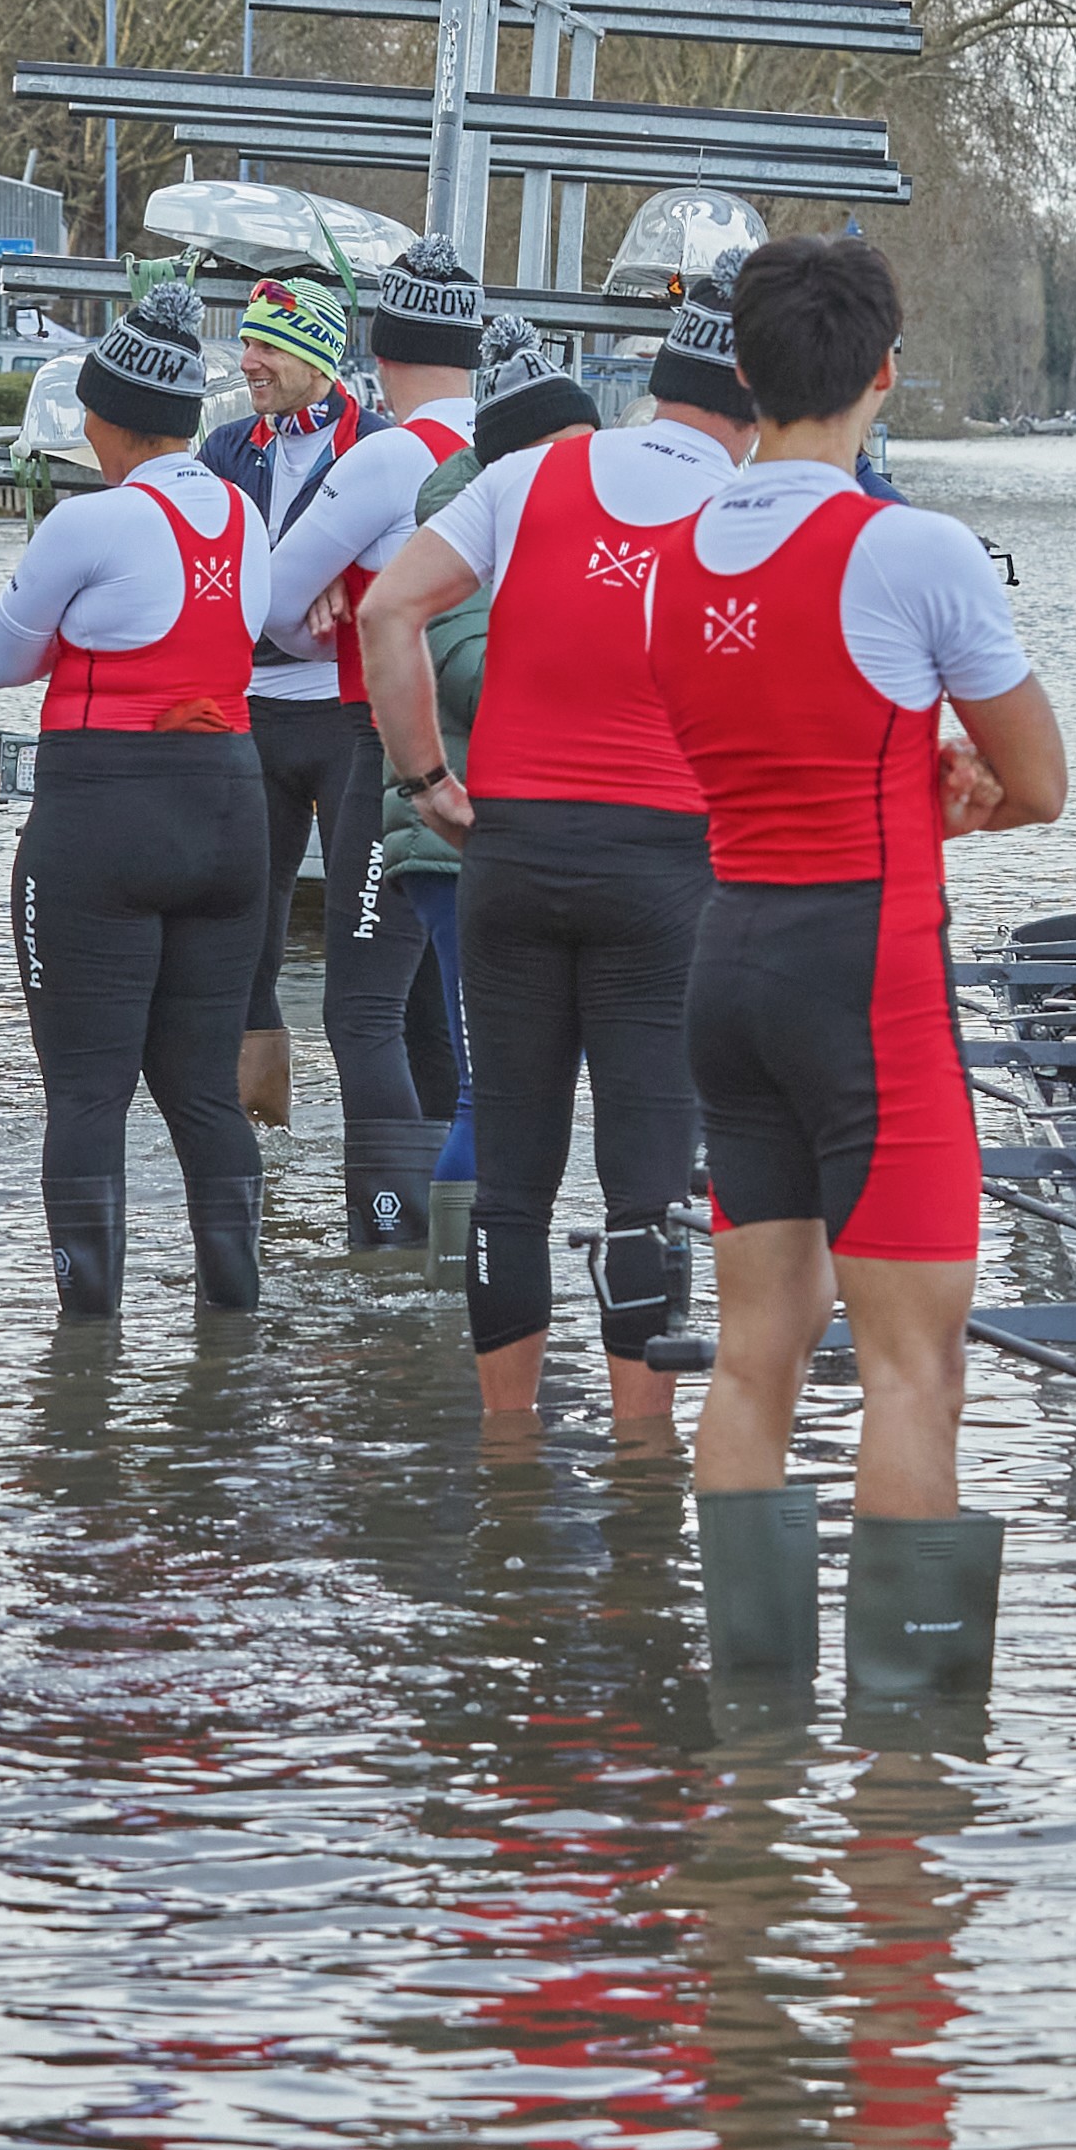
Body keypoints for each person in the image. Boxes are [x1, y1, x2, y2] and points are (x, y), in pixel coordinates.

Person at [644, 235, 1066, 1697]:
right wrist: (957, 778)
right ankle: (909, 1778)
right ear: (883, 373)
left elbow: (759, 739)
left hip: (729, 963)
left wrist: (914, 761)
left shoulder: (674, 556)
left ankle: (752, 1737)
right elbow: (1042, 781)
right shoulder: (915, 548)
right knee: (913, 1372)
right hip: (867, 981)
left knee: (755, 1354)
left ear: (744, 376)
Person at [361, 271, 747, 1435]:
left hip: (512, 855)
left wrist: (428, 778)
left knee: (514, 1182)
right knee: (642, 1184)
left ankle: (509, 1455)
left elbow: (388, 612)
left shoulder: (528, 474)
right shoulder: (755, 503)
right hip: (666, 869)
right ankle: (639, 1462)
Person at [0, 286, 281, 1316]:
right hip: (232, 818)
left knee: (88, 1093)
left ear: (102, 419)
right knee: (199, 1090)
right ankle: (232, 1318)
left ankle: (85, 1352)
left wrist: (72, 635)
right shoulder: (244, 516)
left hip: (103, 818)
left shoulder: (89, 521)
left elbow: (1, 661)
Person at [250, 235, 485, 1250]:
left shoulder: (391, 453)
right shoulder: (517, 451)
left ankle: (384, 1243)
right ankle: (458, 1236)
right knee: (436, 1008)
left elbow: (262, 598)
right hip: (497, 757)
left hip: (385, 754)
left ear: (381, 357)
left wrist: (329, 613)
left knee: (360, 1014)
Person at [195, 269, 434, 1242]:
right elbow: (209, 590)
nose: (246, 361)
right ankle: (269, 1187)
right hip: (248, 720)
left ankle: (395, 1212)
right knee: (242, 961)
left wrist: (331, 591)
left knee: (370, 975)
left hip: (345, 727)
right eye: (244, 343)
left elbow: (403, 593)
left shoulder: (381, 450)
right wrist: (298, 596)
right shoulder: (222, 448)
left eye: (267, 346)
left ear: (321, 356)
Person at [360, 314, 591, 1282]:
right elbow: (474, 677)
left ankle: (463, 1289)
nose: (589, 472)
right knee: (489, 1091)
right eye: (569, 450)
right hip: (455, 838)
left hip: (515, 831)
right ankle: (457, 1295)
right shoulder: (462, 518)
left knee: (508, 1085)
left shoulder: (529, 517)